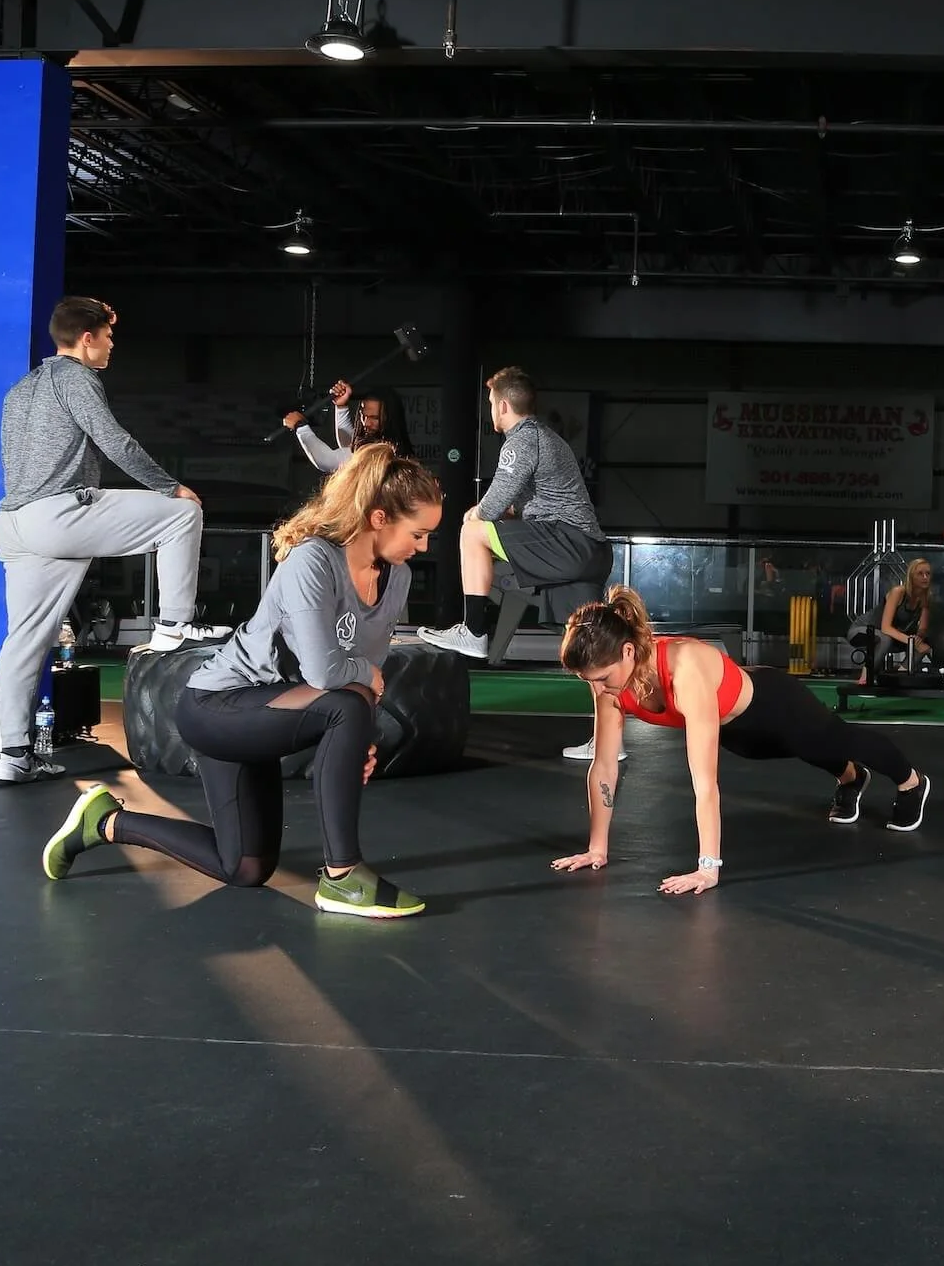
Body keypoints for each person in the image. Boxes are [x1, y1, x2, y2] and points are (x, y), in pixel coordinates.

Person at [40, 444, 442, 917]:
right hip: (217, 707)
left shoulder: (397, 578)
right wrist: (365, 683)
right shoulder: (314, 561)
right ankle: (343, 876)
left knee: (245, 868)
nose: (423, 547)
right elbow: (327, 672)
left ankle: (105, 822)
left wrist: (361, 740)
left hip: (271, 712)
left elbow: (359, 674)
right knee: (346, 705)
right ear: (378, 518)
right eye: (418, 534)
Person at [0, 296, 230, 785]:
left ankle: (13, 756)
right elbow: (113, 440)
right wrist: (168, 486)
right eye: (108, 336)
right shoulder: (76, 377)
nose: (112, 345)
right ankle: (174, 625)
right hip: (57, 516)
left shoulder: (21, 388)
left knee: (24, 643)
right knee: (182, 514)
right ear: (87, 339)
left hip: (12, 524)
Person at [552, 587, 933, 895]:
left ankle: (911, 782)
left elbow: (704, 784)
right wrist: (596, 849)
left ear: (628, 651)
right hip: (740, 735)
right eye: (589, 680)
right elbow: (604, 765)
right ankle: (852, 777)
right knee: (805, 747)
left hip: (774, 704)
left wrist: (708, 868)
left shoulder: (685, 669)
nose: (597, 688)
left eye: (601, 678)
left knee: (832, 740)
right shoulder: (609, 682)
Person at [416, 366, 620, 762]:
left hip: (568, 543)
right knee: (592, 649)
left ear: (503, 406)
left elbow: (492, 506)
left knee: (471, 532)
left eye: (491, 402)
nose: (490, 409)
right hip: (590, 550)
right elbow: (522, 505)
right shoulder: (547, 438)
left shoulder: (522, 440)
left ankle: (474, 631)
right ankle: (610, 742)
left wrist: (472, 515)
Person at [282, 380, 416, 474]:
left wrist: (301, 427)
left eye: (374, 418)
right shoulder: (389, 448)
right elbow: (350, 446)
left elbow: (327, 461)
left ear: (390, 418)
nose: (366, 423)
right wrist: (341, 407)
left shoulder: (381, 453)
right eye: (364, 416)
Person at [853, 556, 934, 685]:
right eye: (920, 574)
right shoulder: (898, 592)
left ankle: (900, 673)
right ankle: (866, 677)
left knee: (924, 646)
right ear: (911, 576)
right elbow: (885, 628)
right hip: (863, 630)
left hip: (891, 636)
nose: (925, 577)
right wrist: (911, 641)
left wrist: (918, 638)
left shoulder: (925, 598)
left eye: (928, 574)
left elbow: (923, 628)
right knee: (886, 639)